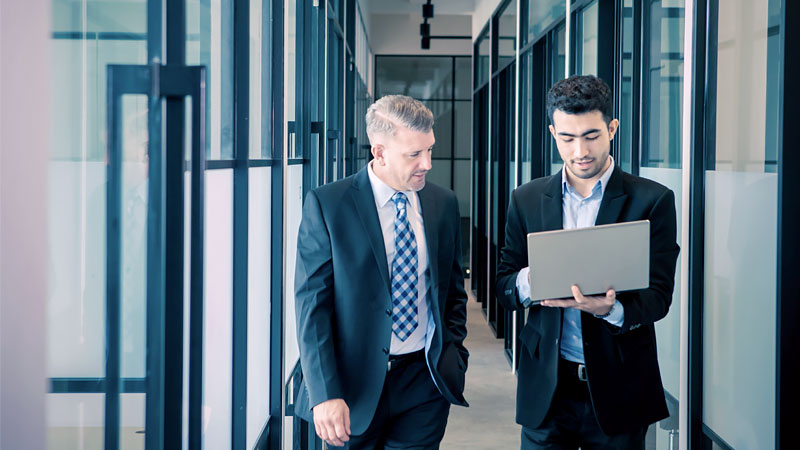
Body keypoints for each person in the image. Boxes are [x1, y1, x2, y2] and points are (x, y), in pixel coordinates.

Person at [496, 75, 680, 449]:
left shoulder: (652, 201)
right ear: (552, 133)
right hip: (547, 390)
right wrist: (536, 279)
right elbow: (504, 286)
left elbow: (659, 297)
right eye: (567, 138)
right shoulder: (527, 199)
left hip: (620, 389)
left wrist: (610, 309)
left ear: (612, 128)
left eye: (592, 136)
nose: (580, 150)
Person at [294, 94, 469, 449]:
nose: (427, 164)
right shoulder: (329, 205)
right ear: (379, 152)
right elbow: (312, 308)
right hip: (350, 388)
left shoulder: (442, 204)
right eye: (414, 154)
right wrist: (324, 393)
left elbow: (452, 291)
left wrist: (454, 355)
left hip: (423, 381)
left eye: (430, 150)